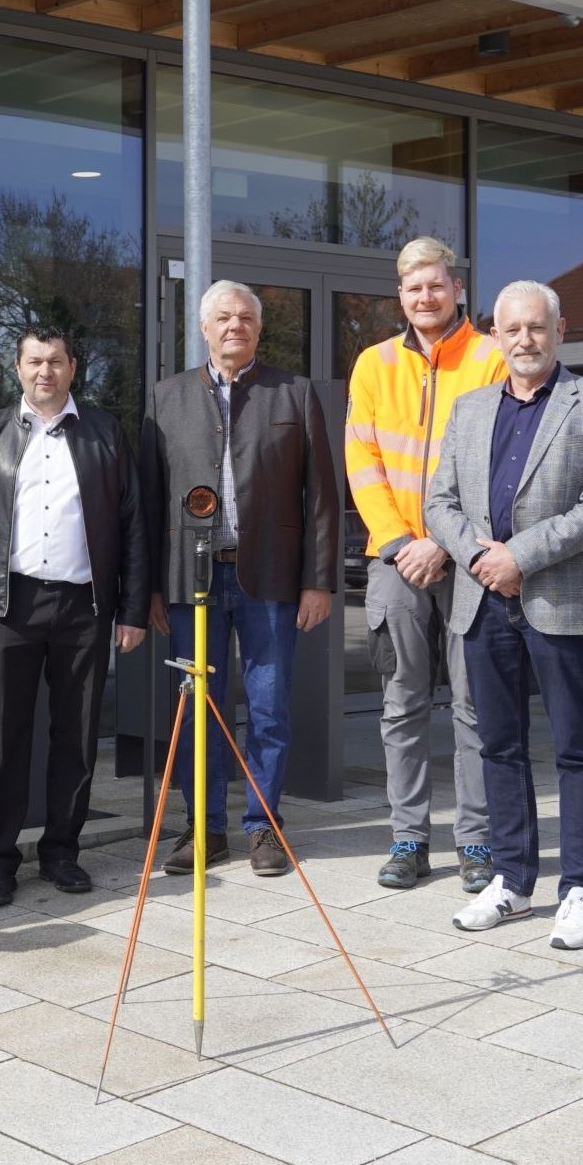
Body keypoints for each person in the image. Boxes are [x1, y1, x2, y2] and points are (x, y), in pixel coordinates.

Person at [425, 281, 583, 941]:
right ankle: (511, 880)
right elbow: (439, 502)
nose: (525, 339)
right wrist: (481, 559)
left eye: (537, 327)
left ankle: (582, 889)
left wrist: (519, 557)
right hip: (481, 601)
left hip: (560, 599)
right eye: (511, 329)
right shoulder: (470, 408)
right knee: (499, 745)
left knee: (577, 747)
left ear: (560, 330)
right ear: (496, 336)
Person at [0, 327, 149, 907]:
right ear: (18, 367)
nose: (44, 372)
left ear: (72, 367)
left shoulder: (104, 433)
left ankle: (61, 852)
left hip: (83, 607)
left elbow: (132, 527)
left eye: (55, 361)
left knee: (76, 737)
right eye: (34, 361)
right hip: (6, 606)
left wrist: (131, 609)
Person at [140, 279, 340, 877]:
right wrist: (150, 586)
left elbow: (321, 497)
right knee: (197, 710)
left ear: (259, 328)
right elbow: (148, 501)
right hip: (189, 582)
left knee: (270, 708)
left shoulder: (294, 393)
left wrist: (318, 580)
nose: (235, 326)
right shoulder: (167, 397)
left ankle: (264, 827)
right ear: (204, 328)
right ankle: (204, 829)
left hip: (271, 579)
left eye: (246, 318)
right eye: (223, 317)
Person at [345, 237, 505, 892]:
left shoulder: (491, 358)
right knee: (402, 704)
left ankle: (477, 842)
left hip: (468, 559)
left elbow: (494, 465)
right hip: (395, 560)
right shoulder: (373, 364)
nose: (426, 297)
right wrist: (398, 541)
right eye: (414, 288)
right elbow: (362, 462)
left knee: (475, 706)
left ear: (457, 289)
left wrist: (445, 541)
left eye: (436, 285)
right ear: (401, 296)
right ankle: (408, 839)